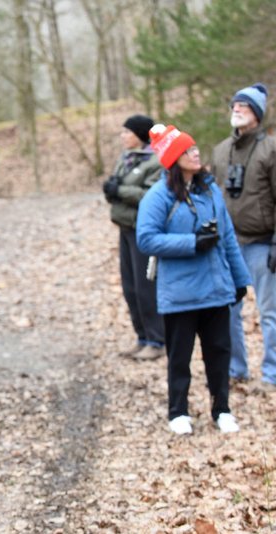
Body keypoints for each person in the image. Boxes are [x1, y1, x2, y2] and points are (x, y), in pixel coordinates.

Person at [136, 124, 251, 435]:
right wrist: (192, 242)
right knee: (180, 356)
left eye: (195, 147)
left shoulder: (210, 190)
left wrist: (239, 280)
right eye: (187, 150)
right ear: (174, 158)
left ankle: (222, 409)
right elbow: (146, 239)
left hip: (215, 289)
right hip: (180, 293)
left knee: (219, 352)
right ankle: (178, 412)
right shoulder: (158, 196)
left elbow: (227, 237)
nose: (195, 153)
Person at [210, 83, 276, 393]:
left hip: (262, 243)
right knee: (228, 311)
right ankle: (236, 369)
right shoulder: (220, 150)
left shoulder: (274, 149)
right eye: (234, 104)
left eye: (244, 106)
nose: (236, 109)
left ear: (257, 114)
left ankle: (274, 375)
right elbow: (214, 197)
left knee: (268, 310)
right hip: (229, 246)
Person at [102, 114, 165, 361]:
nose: (122, 136)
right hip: (124, 227)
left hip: (143, 230)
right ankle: (142, 336)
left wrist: (120, 190)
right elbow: (118, 189)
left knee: (145, 286)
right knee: (130, 287)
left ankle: (156, 339)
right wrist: (112, 189)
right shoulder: (125, 158)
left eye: (127, 132)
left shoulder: (155, 161)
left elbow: (150, 195)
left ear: (139, 135)